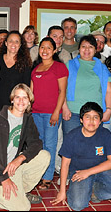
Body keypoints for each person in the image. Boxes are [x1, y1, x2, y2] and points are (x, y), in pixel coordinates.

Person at [0, 84, 51, 211]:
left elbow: (36, 143)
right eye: (17, 97)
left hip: (10, 167)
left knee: (45, 155)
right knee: (24, 208)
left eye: (25, 98)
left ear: (29, 101)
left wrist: (21, 158)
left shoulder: (27, 119)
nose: (21, 101)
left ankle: (20, 190)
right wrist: (3, 179)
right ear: (12, 99)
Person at [51, 102, 111, 211]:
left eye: (95, 117)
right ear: (81, 120)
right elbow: (65, 164)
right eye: (87, 117)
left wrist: (88, 172)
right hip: (79, 172)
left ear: (100, 121)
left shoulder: (105, 134)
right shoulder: (71, 136)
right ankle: (80, 190)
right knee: (77, 205)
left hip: (102, 169)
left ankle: (94, 191)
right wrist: (62, 191)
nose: (92, 121)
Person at [31, 37, 68, 190]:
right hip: (35, 113)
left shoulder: (59, 67)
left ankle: (47, 177)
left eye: (48, 48)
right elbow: (31, 92)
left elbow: (62, 92)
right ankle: (40, 173)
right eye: (42, 47)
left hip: (51, 114)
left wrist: (56, 112)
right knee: (39, 144)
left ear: (54, 50)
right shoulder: (35, 68)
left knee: (50, 145)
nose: (44, 51)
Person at [62, 34, 111, 136]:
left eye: (90, 47)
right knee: (71, 145)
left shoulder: (102, 68)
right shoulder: (69, 65)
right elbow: (62, 89)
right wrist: (64, 107)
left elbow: (108, 91)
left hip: (95, 114)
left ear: (95, 50)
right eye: (84, 46)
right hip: (72, 113)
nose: (86, 50)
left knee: (93, 145)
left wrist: (108, 109)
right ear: (79, 49)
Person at [0, 30, 32, 110]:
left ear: (20, 45)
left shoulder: (25, 63)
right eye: (11, 41)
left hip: (17, 106)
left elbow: (26, 87)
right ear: (6, 43)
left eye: (16, 42)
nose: (13, 44)